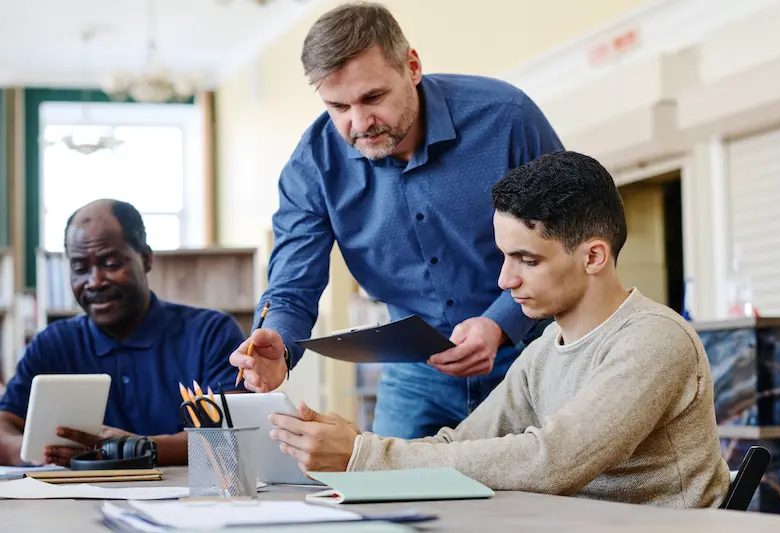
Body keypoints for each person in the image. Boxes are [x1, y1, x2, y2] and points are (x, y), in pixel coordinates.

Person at [254, 151, 731, 508]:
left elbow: (552, 459)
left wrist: (367, 455)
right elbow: (458, 445)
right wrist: (357, 449)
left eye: (527, 260)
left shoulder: (655, 339)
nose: (504, 281)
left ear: (593, 257)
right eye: (504, 256)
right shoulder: (547, 348)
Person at [230, 1, 564, 439]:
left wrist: (501, 323)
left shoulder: (507, 118)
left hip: (534, 356)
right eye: (338, 106)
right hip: (415, 375)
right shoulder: (313, 165)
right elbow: (292, 288)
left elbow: (568, 236)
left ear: (412, 66)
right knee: (390, 496)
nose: (360, 123)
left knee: (542, 497)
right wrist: (276, 342)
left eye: (373, 98)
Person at [0, 199, 246, 467]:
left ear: (146, 258)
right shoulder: (52, 344)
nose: (95, 281)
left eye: (111, 263)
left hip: (189, 502)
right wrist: (32, 454)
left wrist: (134, 449)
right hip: (72, 504)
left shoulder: (210, 333)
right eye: (80, 268)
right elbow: (5, 423)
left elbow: (234, 434)